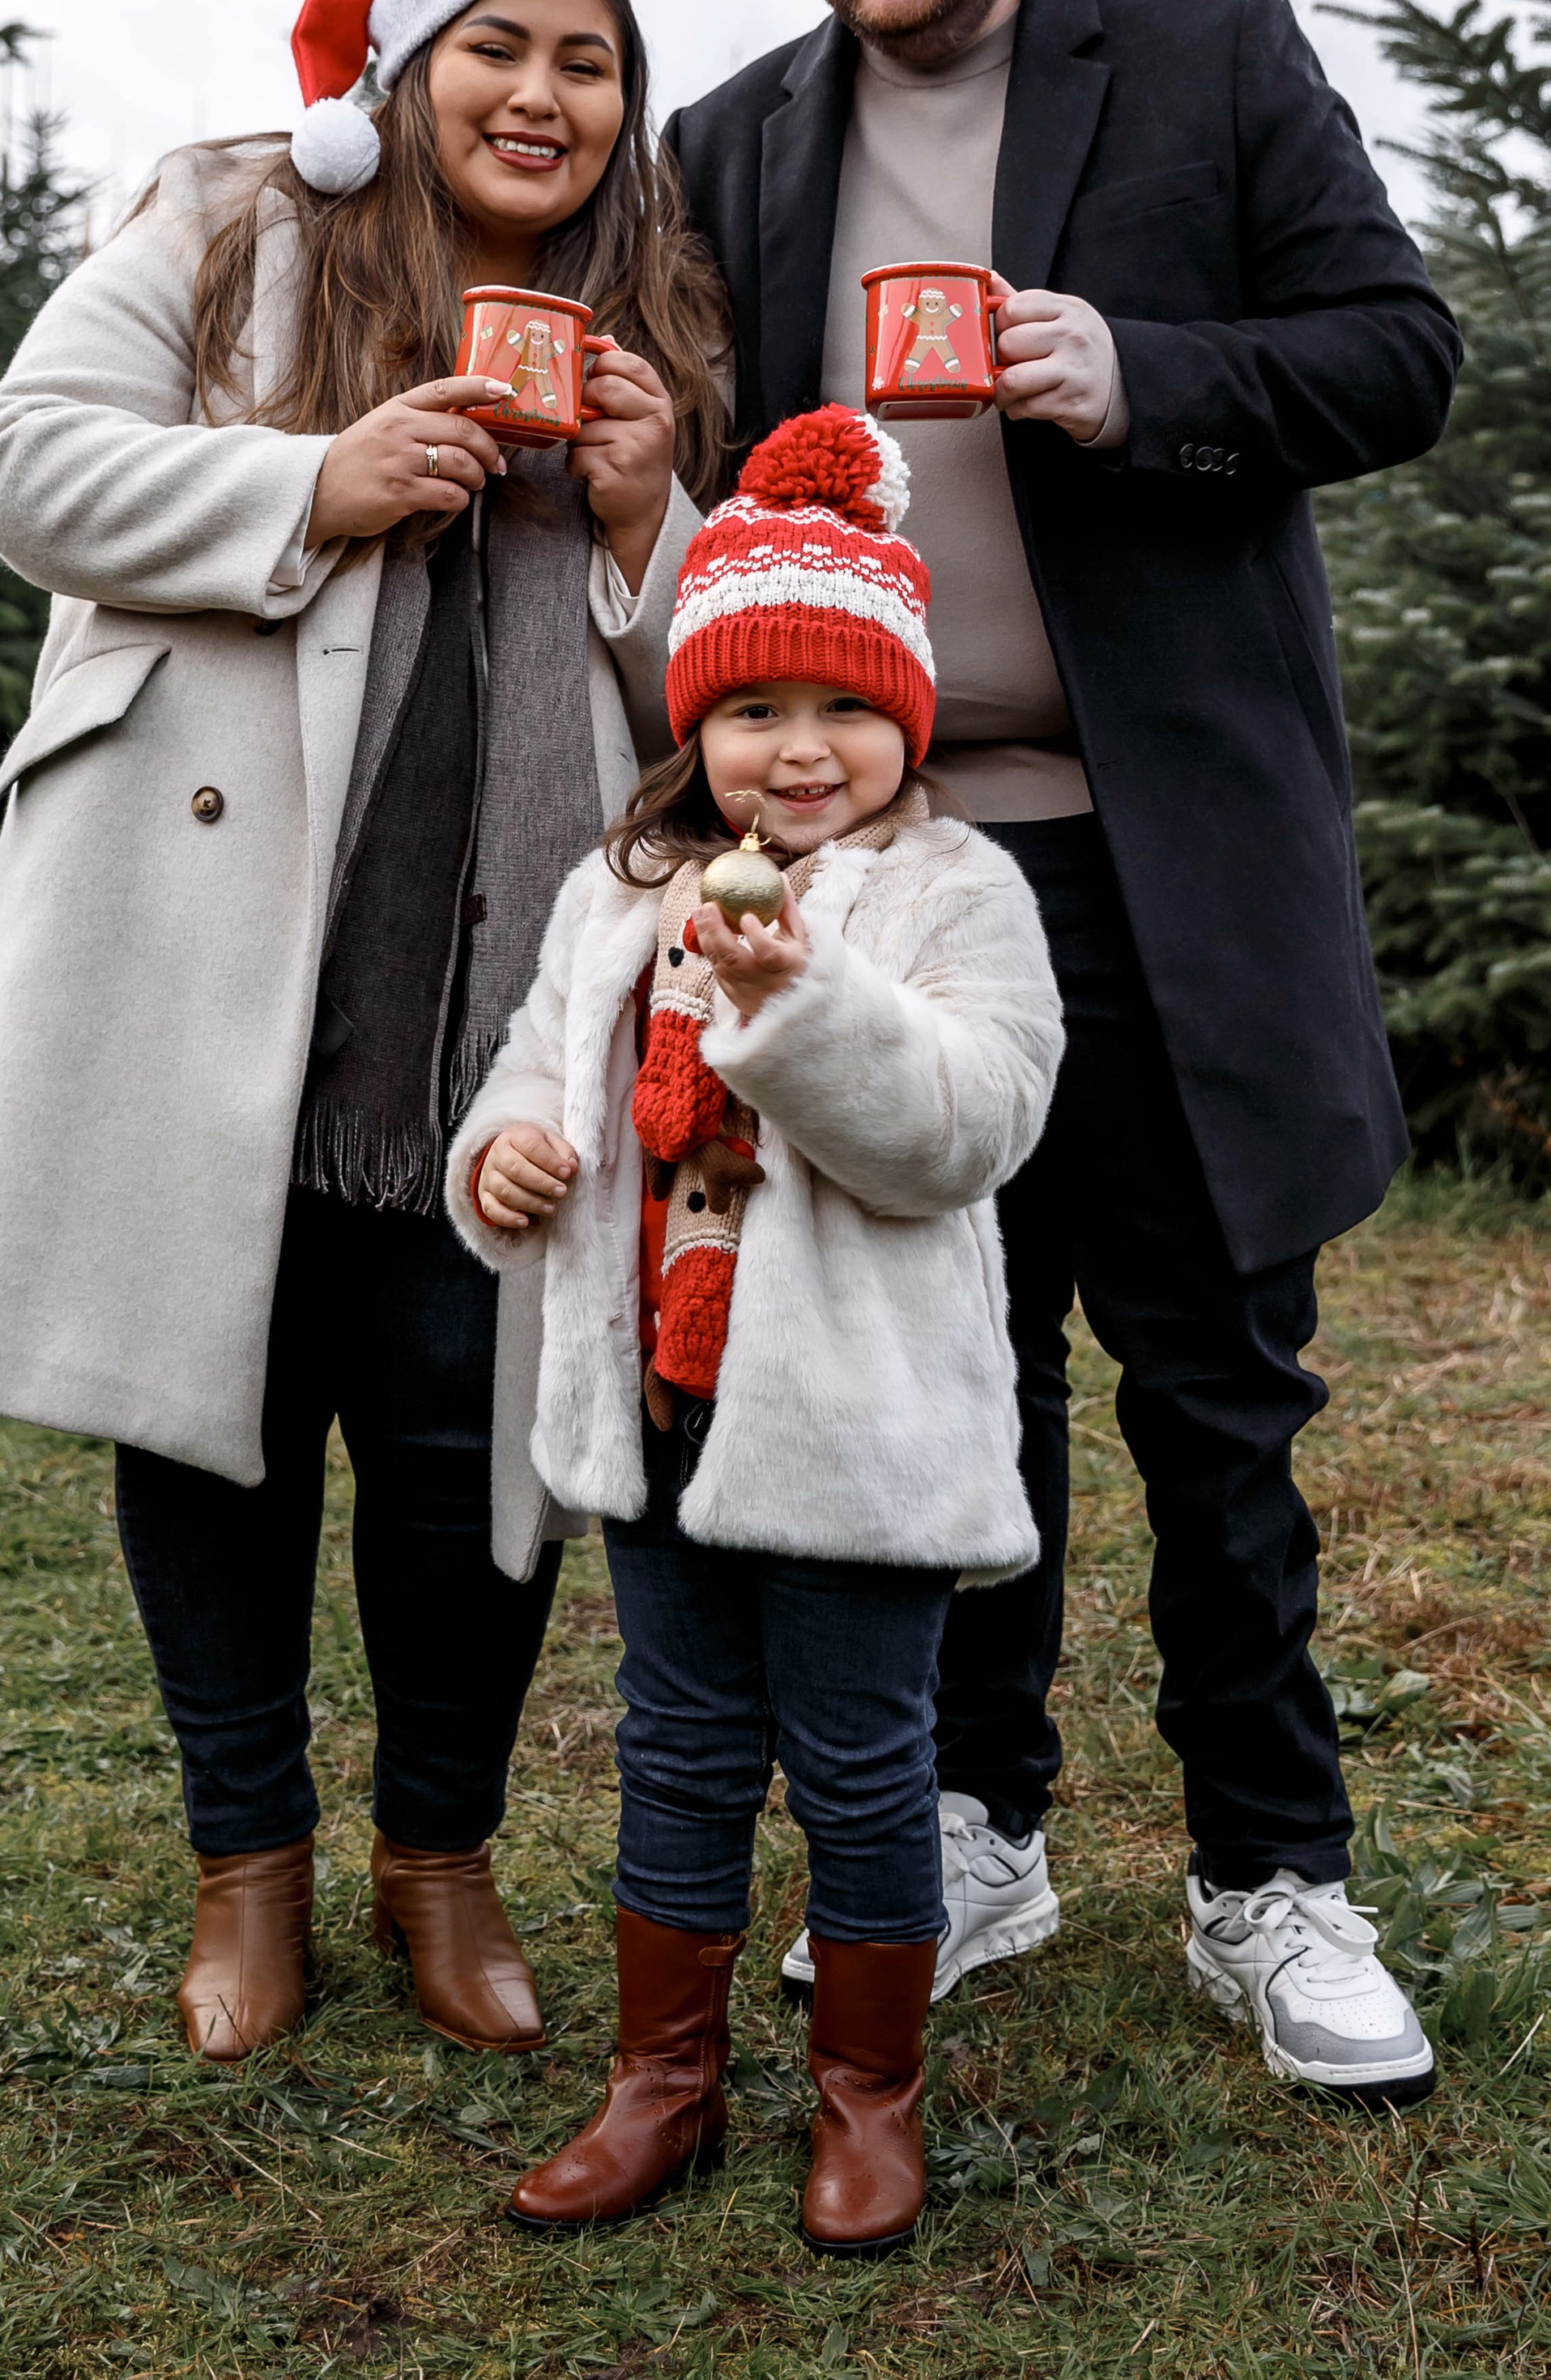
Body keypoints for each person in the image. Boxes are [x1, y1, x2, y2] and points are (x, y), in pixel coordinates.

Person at [659, 0, 1460, 2107]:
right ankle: (979, 1825)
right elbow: (698, 467)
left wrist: (1148, 374)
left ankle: (1273, 1876)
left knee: (1214, 1391)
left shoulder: (1212, 56)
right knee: (946, 1380)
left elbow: (1401, 352)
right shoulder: (738, 141)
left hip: (1164, 864)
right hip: (893, 880)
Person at [0, 0, 730, 2065]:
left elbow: (728, 710)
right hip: (224, 944)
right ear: (406, 72)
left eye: (587, 63)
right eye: (498, 49)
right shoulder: (238, 225)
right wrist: (313, 483)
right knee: (225, 1416)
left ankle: (438, 1859)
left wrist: (649, 524)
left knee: (480, 1431)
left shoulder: (647, 312)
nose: (542, 96)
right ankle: (246, 1867)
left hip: (508, 994)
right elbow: (21, 465)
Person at [446, 407, 1060, 2253]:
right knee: (679, 1743)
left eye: (844, 706)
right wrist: (506, 1152)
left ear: (910, 717)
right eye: (753, 709)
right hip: (661, 1401)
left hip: (857, 1426)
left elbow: (961, 1129)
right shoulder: (619, 893)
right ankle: (664, 2081)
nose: (799, 750)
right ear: (693, 722)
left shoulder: (956, 893)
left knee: (865, 1761)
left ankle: (869, 2096)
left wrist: (800, 1005)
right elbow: (534, 1068)